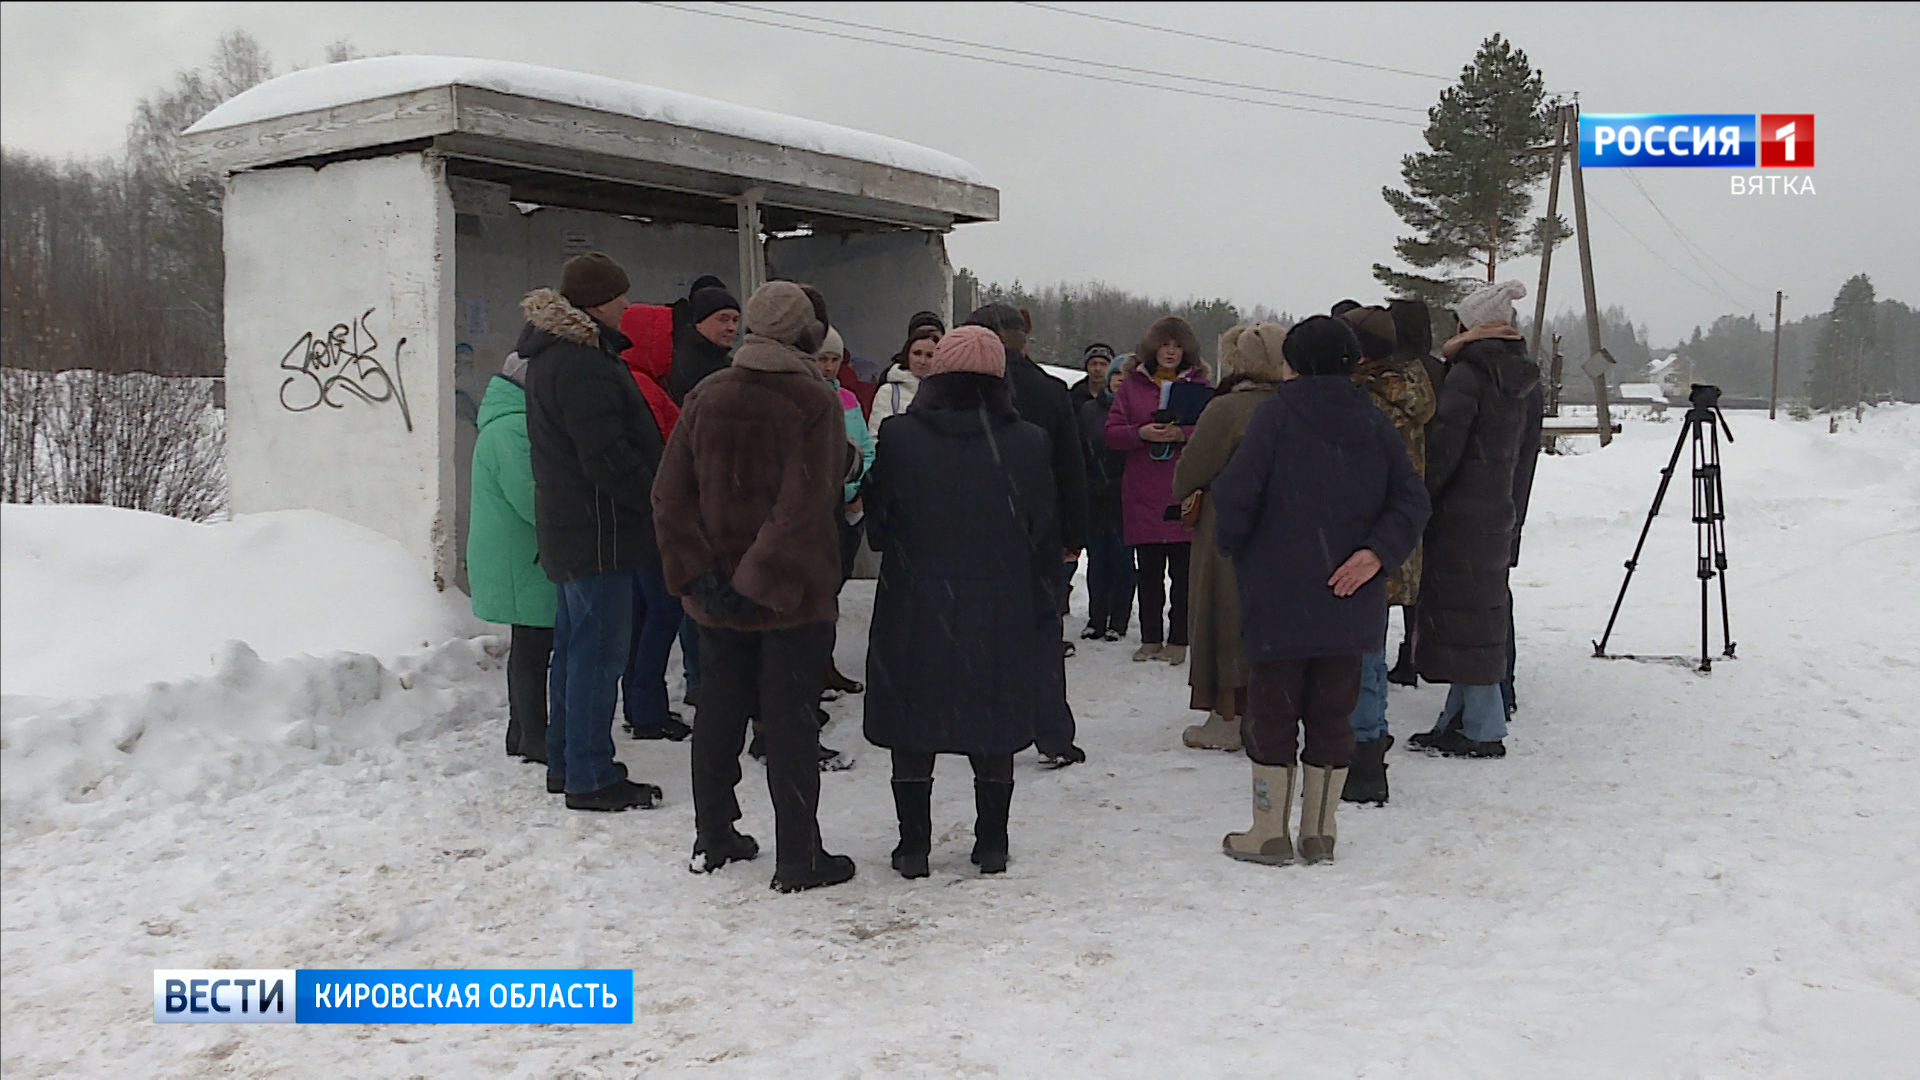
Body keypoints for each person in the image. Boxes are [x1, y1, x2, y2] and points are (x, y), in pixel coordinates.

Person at [653, 280, 856, 892]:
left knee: (718, 711)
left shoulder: (707, 394)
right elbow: (803, 504)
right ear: (805, 335)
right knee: (790, 721)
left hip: (716, 597)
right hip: (790, 596)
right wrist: (756, 581)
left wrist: (702, 577)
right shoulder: (814, 401)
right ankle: (799, 856)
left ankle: (712, 836)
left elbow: (669, 495)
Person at [1210, 316, 1430, 866]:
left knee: (1272, 713)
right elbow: (1412, 499)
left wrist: (1242, 548)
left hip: (1279, 597)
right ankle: (1319, 832)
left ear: (1292, 363)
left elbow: (1236, 498)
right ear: (1353, 362)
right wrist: (1377, 552)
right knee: (1334, 716)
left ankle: (1268, 831)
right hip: (1350, 601)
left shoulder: (1274, 417)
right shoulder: (1375, 421)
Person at [863, 326, 1060, 878]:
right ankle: (991, 843)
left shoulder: (900, 437)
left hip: (915, 600)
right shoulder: (1028, 442)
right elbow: (1043, 532)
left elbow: (879, 528)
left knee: (911, 722)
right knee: (994, 720)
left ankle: (912, 847)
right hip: (999, 601)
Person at [520, 252, 667, 812]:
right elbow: (605, 455)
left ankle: (567, 761)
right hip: (600, 531)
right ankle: (589, 773)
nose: (627, 305)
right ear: (594, 302)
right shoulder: (582, 362)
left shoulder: (554, 356)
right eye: (618, 296)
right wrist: (654, 499)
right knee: (598, 655)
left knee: (577, 650)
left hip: (574, 529)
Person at [1409, 280, 1542, 760]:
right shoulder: (1520, 375)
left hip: (1459, 514)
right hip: (1496, 509)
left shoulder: (1468, 374)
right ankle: (1459, 717)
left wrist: (1419, 497)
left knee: (1464, 618)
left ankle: (1483, 727)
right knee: (1477, 617)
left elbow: (1445, 449)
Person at [964, 303, 1088, 767]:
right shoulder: (1052, 391)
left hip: (975, 531)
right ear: (1023, 338)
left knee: (978, 633)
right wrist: (1073, 533)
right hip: (1038, 532)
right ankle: (1052, 731)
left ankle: (982, 724)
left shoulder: (961, 391)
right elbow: (1071, 469)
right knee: (1041, 636)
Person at [1171, 323, 1289, 752]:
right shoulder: (1296, 405)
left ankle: (1227, 716)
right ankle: (1269, 713)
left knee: (1224, 615)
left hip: (1228, 529)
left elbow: (1188, 475)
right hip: (1288, 532)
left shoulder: (1228, 410)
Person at [1337, 305, 1435, 804]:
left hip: (1366, 538)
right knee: (1370, 649)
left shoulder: (1363, 402)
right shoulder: (1414, 384)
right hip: (1397, 535)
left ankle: (1363, 754)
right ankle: (1368, 750)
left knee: (1362, 654)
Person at [1105, 315, 1212, 665]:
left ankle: (1179, 638)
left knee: (1182, 574)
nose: (1170, 352)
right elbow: (1112, 432)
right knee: (1148, 572)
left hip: (1183, 489)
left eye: (1177, 346)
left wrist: (1185, 434)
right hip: (1142, 491)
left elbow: (1215, 432)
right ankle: (1150, 638)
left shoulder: (1201, 386)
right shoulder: (1132, 386)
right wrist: (1142, 433)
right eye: (1164, 345)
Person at [466, 350, 556, 765]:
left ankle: (521, 731)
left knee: (529, 646)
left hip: (516, 553)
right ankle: (533, 735)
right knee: (533, 647)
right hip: (522, 555)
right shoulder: (514, 430)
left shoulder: (505, 425)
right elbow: (531, 497)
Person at [615, 303, 692, 742]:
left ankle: (644, 705)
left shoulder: (640, 382)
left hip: (645, 518)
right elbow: (662, 449)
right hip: (655, 520)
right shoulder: (642, 387)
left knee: (646, 616)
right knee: (660, 613)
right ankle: (646, 708)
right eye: (665, 339)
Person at [1385, 298, 1449, 687]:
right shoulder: (1441, 372)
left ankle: (1384, 656)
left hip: (1396, 486)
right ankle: (1414, 650)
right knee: (1421, 579)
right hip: (1435, 483)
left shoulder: (1390, 373)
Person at [815, 326, 875, 705]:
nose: (828, 366)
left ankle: (826, 663)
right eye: (822, 358)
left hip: (848, 506)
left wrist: (855, 491)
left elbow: (865, 448)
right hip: (817, 508)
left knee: (833, 588)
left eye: (834, 359)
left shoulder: (849, 398)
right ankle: (813, 666)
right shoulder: (807, 397)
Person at [1077, 365, 1133, 641]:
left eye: (1126, 375)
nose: (1120, 380)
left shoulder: (1136, 411)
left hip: (1125, 494)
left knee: (1122, 559)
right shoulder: (1089, 410)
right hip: (1094, 494)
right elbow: (1078, 447)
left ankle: (1119, 619)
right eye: (1117, 375)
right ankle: (1096, 617)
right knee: (1097, 560)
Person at [666, 280, 740, 403]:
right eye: (723, 319)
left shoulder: (727, 363)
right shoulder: (682, 366)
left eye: (735, 320)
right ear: (699, 322)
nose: (731, 327)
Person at [869, 321, 939, 430]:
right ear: (907, 354)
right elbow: (876, 435)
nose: (922, 361)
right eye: (917, 353)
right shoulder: (888, 392)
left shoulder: (944, 393)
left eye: (929, 355)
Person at [1070, 343, 1115, 410]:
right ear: (1086, 367)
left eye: (1103, 364)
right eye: (1093, 364)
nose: (1097, 369)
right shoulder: (1073, 396)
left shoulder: (1118, 397)